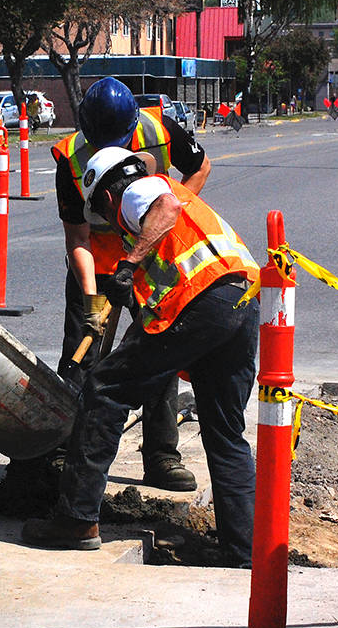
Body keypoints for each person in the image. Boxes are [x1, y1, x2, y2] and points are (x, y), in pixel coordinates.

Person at [22, 146, 261, 567]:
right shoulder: (182, 210)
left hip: (203, 304)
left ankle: (77, 519)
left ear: (108, 198)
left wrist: (128, 264)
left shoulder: (140, 191)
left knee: (104, 389)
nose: (107, 222)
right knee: (225, 432)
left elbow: (163, 207)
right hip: (240, 304)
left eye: (101, 211)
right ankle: (244, 550)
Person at [49, 77, 210, 491]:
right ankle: (67, 449)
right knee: (81, 353)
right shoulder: (70, 157)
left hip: (150, 261)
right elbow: (78, 238)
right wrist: (90, 301)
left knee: (159, 351)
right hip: (98, 262)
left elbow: (200, 167)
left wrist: (165, 223)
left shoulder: (159, 130)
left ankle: (161, 457)